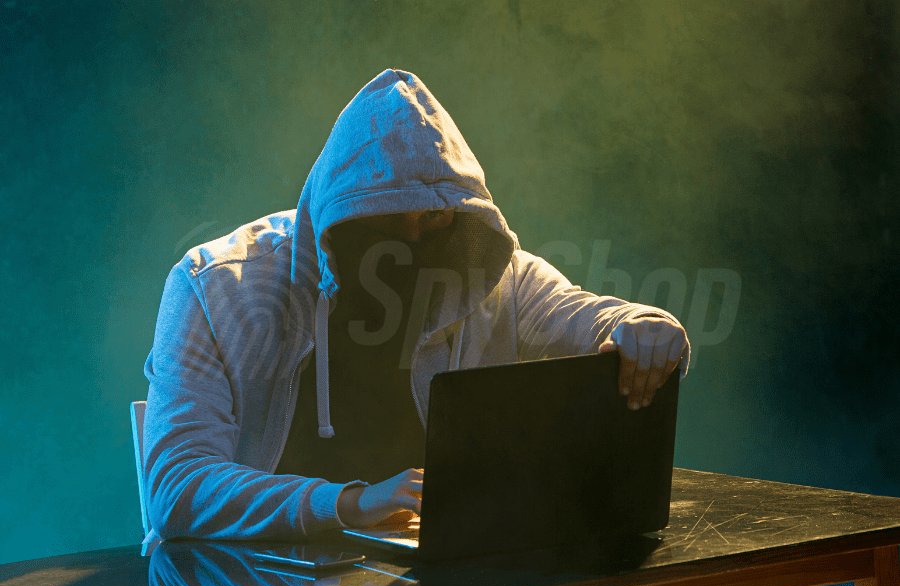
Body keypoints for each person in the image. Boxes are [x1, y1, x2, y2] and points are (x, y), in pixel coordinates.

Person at [143, 69, 690, 541]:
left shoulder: (488, 277)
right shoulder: (214, 287)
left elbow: (587, 315)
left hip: (432, 574)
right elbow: (178, 488)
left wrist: (644, 325)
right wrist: (352, 504)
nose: (410, 239)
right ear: (339, 216)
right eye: (387, 215)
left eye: (432, 216)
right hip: (252, 579)